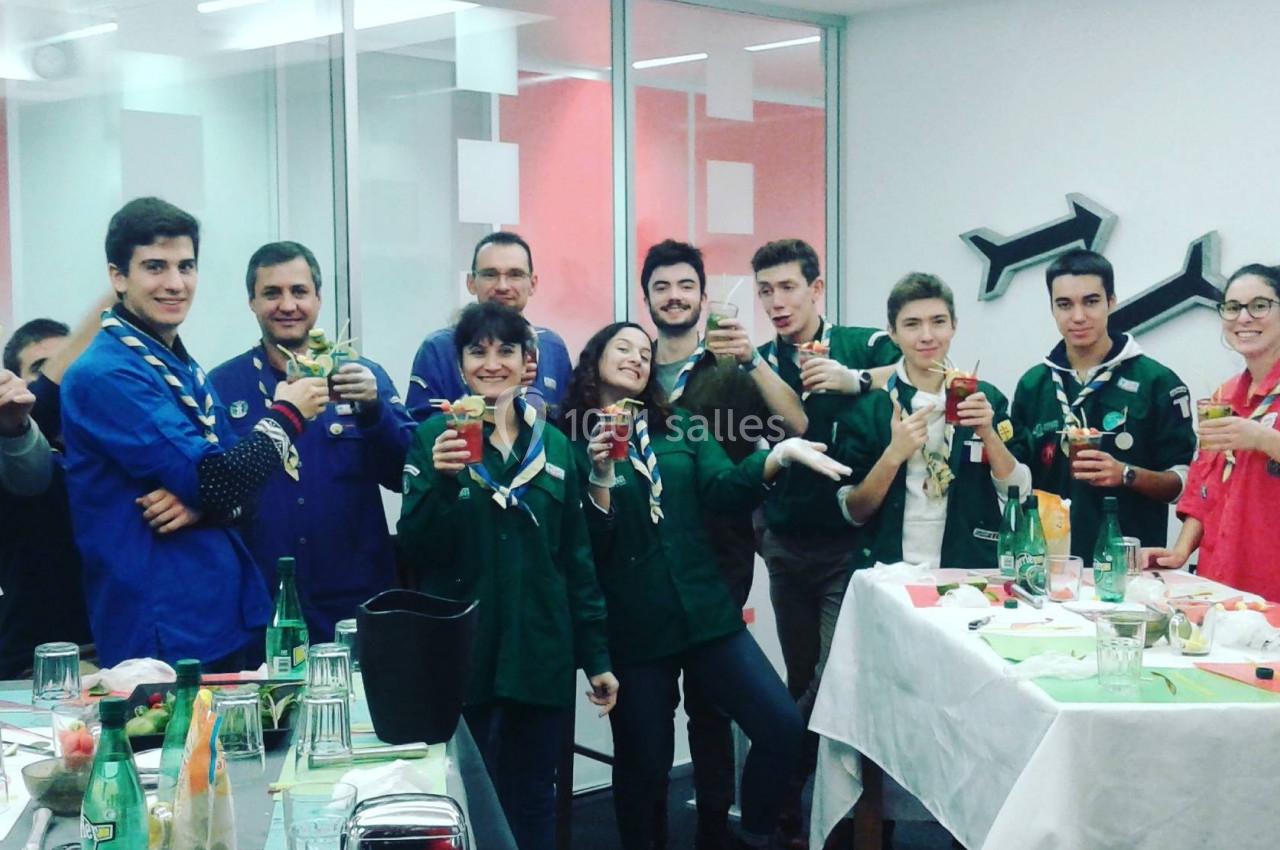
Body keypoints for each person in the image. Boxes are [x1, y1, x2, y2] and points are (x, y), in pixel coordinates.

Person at [562, 322, 849, 850]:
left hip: (706, 613)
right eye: (622, 347)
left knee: (782, 725)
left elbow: (723, 490)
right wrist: (599, 475)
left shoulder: (682, 426)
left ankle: (755, 833)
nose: (636, 357)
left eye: (644, 352)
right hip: (635, 628)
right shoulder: (569, 442)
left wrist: (778, 456)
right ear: (594, 359)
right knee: (644, 766)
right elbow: (585, 549)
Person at [61, 197, 330, 669]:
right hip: (164, 627)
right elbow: (220, 479)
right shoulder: (106, 374)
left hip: (223, 611)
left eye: (186, 266)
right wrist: (288, 413)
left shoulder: (181, 368)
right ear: (118, 277)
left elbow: (243, 489)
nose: (175, 283)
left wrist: (202, 506)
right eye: (155, 267)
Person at [398, 301, 617, 850]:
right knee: (464, 796)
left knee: (535, 796)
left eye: (506, 351)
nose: (492, 363)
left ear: (527, 363)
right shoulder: (435, 438)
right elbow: (416, 547)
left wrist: (597, 657)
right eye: (478, 351)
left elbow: (576, 559)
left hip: (539, 652)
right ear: (460, 364)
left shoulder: (556, 446)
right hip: (463, 656)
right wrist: (442, 481)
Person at [640, 239, 806, 849]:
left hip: (722, 556)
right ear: (647, 297)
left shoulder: (733, 368)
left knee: (711, 705)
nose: (674, 296)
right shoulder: (631, 367)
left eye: (685, 285)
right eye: (661, 286)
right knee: (650, 712)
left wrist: (754, 360)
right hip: (645, 567)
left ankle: (715, 826)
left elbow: (792, 428)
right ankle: (649, 831)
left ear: (703, 296)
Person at [750, 238, 900, 833]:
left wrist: (854, 378)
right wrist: (762, 530)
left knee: (835, 683)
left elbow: (920, 370)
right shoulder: (760, 359)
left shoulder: (864, 344)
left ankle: (801, 792)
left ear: (816, 288)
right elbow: (755, 446)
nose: (777, 302)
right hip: (786, 546)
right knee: (804, 676)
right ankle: (807, 812)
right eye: (766, 291)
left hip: (851, 546)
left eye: (788, 287)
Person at [209, 241, 415, 641]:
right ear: (252, 301)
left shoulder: (361, 377)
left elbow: (405, 475)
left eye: (299, 291)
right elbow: (215, 486)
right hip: (263, 600)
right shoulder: (223, 385)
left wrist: (375, 411)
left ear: (318, 299)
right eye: (272, 293)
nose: (287, 305)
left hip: (355, 599)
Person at [1010, 249, 1196, 561]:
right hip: (1045, 565)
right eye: (1065, 304)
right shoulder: (1033, 384)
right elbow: (1018, 479)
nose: (1078, 316)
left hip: (1128, 566)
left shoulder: (1156, 381)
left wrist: (1126, 474)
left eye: (1091, 301)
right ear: (1052, 308)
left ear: (1111, 302)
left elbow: (1185, 485)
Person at [835, 273, 1031, 569]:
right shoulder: (869, 409)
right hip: (890, 572)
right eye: (912, 324)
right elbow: (853, 512)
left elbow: (1020, 493)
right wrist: (893, 455)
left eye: (938, 321)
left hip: (968, 572)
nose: (927, 336)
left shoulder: (984, 399)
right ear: (892, 332)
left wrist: (989, 435)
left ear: (954, 326)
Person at [1147, 264, 1280, 599]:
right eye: (1233, 307)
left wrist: (1264, 440)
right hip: (1220, 580)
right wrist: (1179, 552)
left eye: (1260, 305)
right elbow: (1204, 487)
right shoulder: (1224, 396)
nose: (1243, 318)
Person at [0, 313, 97, 676]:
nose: (63, 377)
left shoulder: (106, 452)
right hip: (36, 664)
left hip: (115, 648)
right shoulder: (11, 450)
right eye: (41, 368)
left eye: (72, 365)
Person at [406, 231, 573, 420]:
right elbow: (419, 431)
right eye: (490, 274)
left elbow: (571, 423)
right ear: (471, 283)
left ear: (533, 284)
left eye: (515, 275)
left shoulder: (552, 347)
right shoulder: (439, 348)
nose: (502, 286)